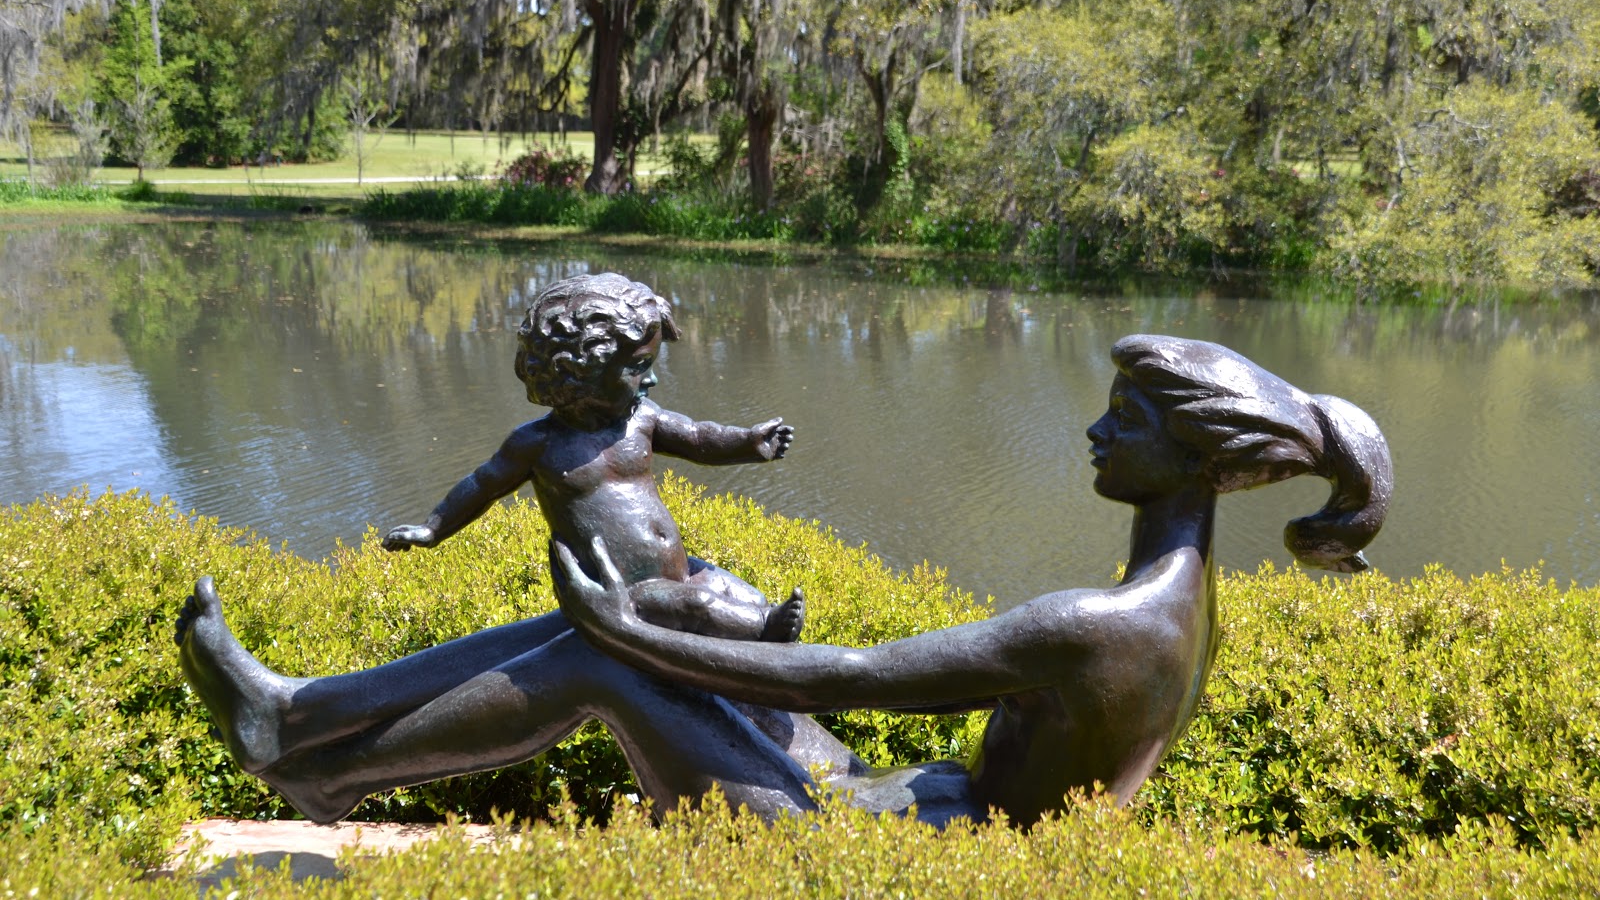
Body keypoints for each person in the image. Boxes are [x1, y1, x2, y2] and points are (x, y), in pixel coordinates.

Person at [175, 334, 1390, 828]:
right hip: (909, 800)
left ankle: (311, 755)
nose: (1093, 430)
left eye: (1123, 419)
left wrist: (625, 630)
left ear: (1195, 455)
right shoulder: (1186, 600)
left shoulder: (1097, 623)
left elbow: (846, 674)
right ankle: (304, 723)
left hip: (908, 857)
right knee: (652, 613)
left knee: (605, 648)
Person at [382, 271, 804, 643]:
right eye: (639, 366)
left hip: (680, 570)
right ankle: (766, 629)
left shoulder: (642, 419)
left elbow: (697, 437)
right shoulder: (539, 444)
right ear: (581, 372)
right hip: (627, 592)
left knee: (735, 592)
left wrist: (747, 443)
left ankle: (761, 620)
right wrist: (432, 528)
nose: (652, 379)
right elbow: (482, 485)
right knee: (700, 607)